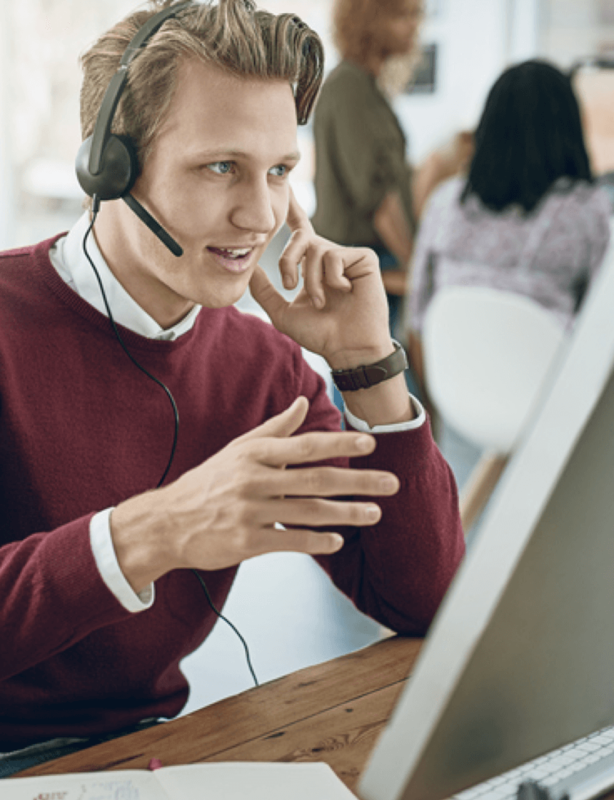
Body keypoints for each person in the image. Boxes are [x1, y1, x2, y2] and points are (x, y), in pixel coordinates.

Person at [0, 0, 464, 775]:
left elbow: (423, 598)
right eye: (222, 167)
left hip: (144, 755)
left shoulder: (262, 363)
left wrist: (367, 364)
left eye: (280, 171)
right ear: (108, 166)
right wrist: (152, 533)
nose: (260, 214)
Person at [406, 59, 611, 396]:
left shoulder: (445, 203)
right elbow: (601, 325)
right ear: (570, 126)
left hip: (456, 398)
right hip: (549, 406)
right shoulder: (587, 210)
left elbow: (417, 315)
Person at [311, 0, 472, 339]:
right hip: (362, 262)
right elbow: (378, 200)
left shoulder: (367, 88)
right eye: (402, 16)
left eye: (416, 15)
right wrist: (415, 268)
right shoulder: (350, 88)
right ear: (369, 20)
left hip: (369, 260)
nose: (414, 26)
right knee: (365, 375)